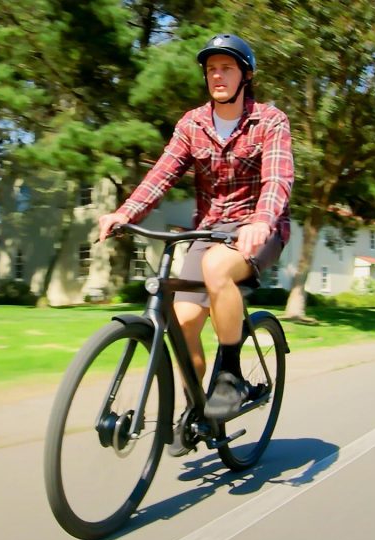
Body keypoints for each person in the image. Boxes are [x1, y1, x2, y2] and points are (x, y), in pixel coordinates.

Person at [97, 33, 293, 453]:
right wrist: (124, 213)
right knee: (183, 321)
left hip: (260, 229)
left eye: (226, 67)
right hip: (207, 233)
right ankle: (198, 408)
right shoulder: (193, 124)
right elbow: (162, 174)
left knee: (219, 267)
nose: (217, 75)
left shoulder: (270, 121)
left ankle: (230, 375)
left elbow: (278, 179)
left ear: (246, 75)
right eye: (210, 69)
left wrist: (261, 220)